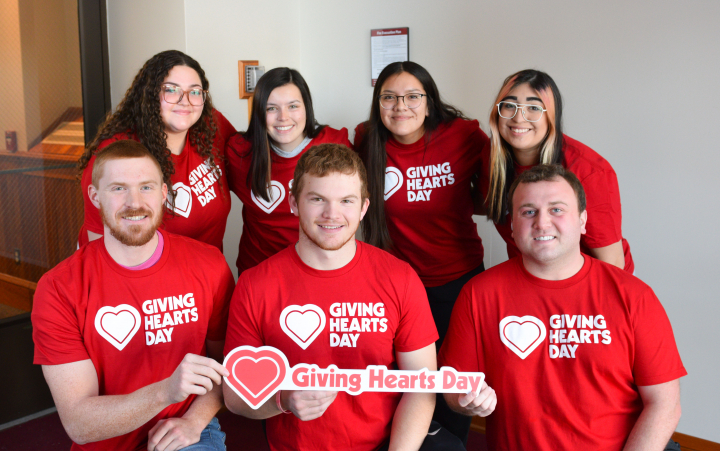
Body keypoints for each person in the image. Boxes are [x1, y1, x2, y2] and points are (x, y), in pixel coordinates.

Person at [223, 144, 471, 451]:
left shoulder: (400, 278)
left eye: (346, 201)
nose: (332, 214)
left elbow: (421, 386)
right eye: (317, 199)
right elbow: (234, 397)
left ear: (364, 208)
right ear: (293, 203)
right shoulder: (254, 285)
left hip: (387, 443)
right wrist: (283, 400)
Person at [440, 164, 686, 451]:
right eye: (528, 211)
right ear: (512, 225)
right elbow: (453, 387)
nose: (542, 223)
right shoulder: (478, 294)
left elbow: (664, 404)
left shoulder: (633, 296)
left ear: (582, 221)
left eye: (557, 210)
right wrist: (468, 401)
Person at [33, 140, 235, 450]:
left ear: (164, 194)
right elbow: (79, 423)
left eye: (146, 187)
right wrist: (164, 392)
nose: (134, 202)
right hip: (105, 439)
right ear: (95, 196)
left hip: (187, 427)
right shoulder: (59, 287)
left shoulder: (209, 265)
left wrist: (194, 421)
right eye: (118, 189)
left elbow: (225, 363)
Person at [355, 61, 488, 443]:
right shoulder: (367, 140)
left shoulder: (462, 135)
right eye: (389, 97)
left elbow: (491, 190)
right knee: (402, 379)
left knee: (452, 380)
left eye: (413, 96)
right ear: (377, 104)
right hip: (395, 285)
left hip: (457, 280)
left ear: (429, 103)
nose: (401, 106)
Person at [77, 50, 236, 251]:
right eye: (171, 90)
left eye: (195, 91)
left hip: (207, 275)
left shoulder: (211, 125)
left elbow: (254, 167)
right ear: (150, 94)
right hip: (145, 277)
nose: (185, 101)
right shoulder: (116, 155)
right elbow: (99, 251)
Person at [480, 69, 634, 272]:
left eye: (534, 107)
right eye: (509, 105)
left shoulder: (587, 170)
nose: (519, 118)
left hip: (583, 284)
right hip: (530, 276)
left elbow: (612, 263)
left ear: (551, 116)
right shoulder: (491, 158)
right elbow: (479, 201)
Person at [225, 67, 352, 274]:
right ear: (258, 112)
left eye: (293, 106)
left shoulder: (335, 143)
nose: (283, 117)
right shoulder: (239, 152)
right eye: (271, 108)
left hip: (320, 268)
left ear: (306, 108)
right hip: (260, 272)